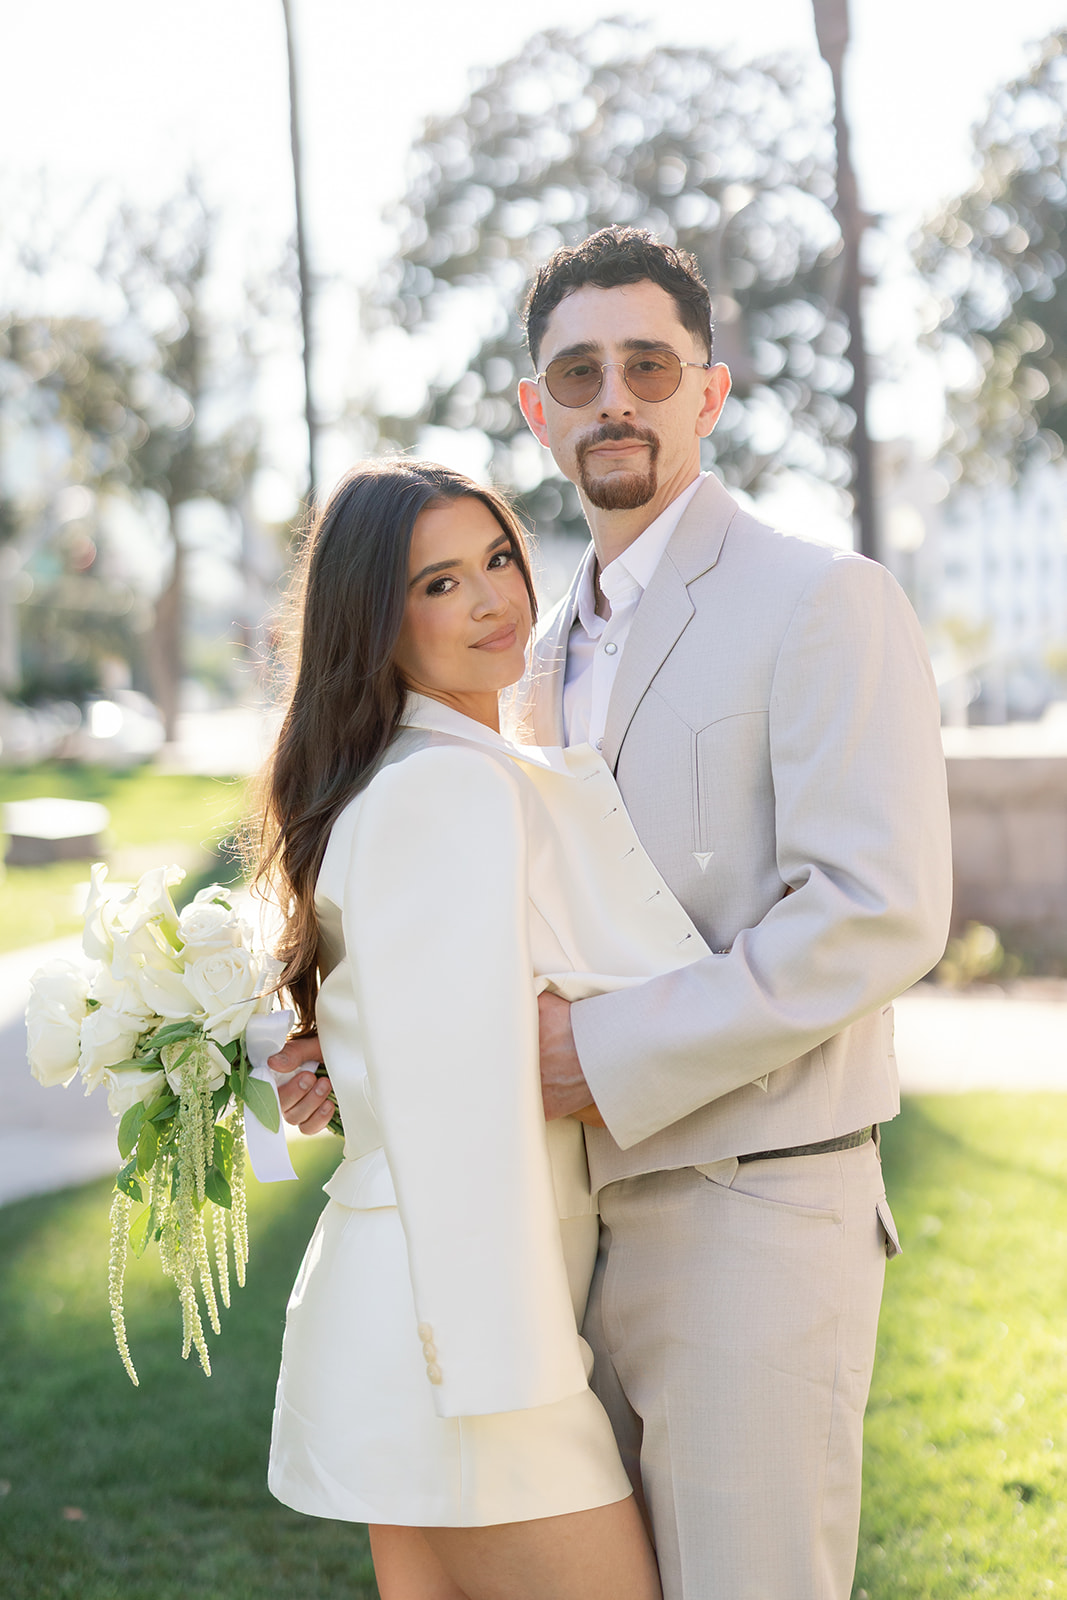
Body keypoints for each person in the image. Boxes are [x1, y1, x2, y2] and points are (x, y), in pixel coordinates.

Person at [274, 228, 953, 1599]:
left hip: (751, 1208)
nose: (612, 398)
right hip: (563, 1232)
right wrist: (359, 1052)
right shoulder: (516, 656)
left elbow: (876, 912)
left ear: (707, 391)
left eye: (647, 365)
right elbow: (494, 935)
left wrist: (595, 1057)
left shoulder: (818, 599)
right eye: (575, 373)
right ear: (536, 408)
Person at [255, 457, 707, 1600]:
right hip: (467, 1350)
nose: (494, 600)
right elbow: (461, 1115)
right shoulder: (446, 790)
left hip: (426, 1323)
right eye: (439, 585)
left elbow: (413, 1048)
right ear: (376, 620)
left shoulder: (421, 769)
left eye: (497, 559)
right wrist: (518, 1376)